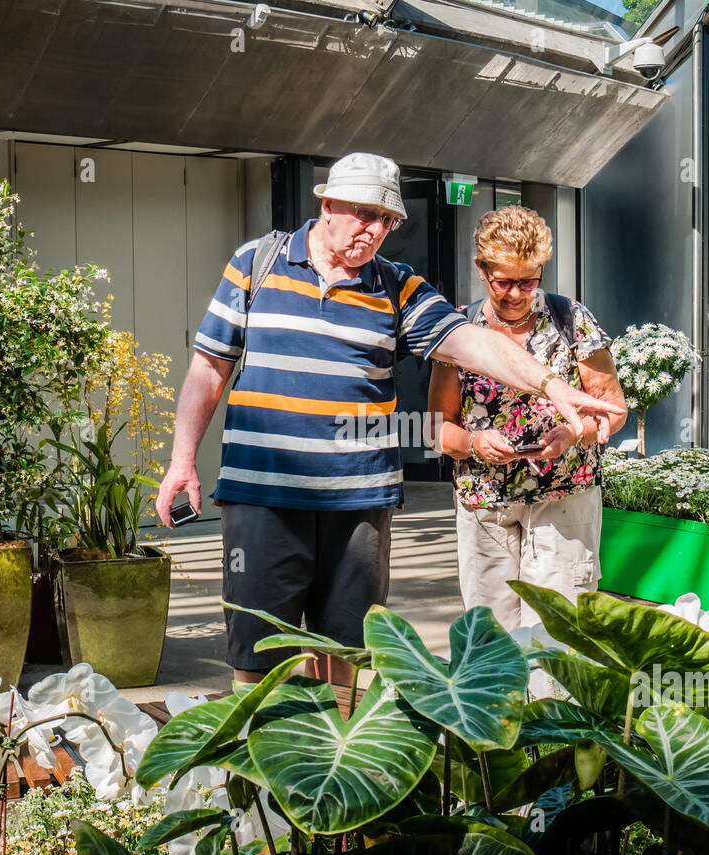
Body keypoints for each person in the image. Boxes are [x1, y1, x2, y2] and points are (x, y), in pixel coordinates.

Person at [155, 154, 623, 685]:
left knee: (348, 653)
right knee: (259, 655)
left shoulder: (397, 285)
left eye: (388, 220)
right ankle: (259, 766)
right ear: (327, 205)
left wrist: (550, 383)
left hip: (359, 501)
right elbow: (210, 368)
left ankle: (342, 757)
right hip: (263, 495)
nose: (376, 230)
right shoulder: (256, 263)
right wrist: (182, 462)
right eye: (364, 214)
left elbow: (468, 342)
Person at [427, 206, 627, 631]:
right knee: (491, 636)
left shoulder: (571, 321)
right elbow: (436, 428)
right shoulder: (460, 331)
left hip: (565, 501)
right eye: (504, 282)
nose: (516, 294)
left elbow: (614, 410)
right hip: (486, 504)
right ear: (481, 269)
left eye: (529, 281)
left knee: (556, 633)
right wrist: (474, 444)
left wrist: (574, 436)